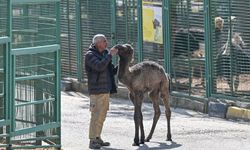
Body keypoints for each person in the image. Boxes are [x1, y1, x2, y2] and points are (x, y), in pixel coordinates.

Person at [85, 34, 118, 149]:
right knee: (95, 115)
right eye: (104, 41)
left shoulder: (104, 54)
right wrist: (110, 55)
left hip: (105, 90)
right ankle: (92, 140)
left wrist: (123, 64)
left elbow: (111, 71)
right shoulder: (89, 55)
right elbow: (99, 66)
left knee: (102, 116)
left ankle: (98, 138)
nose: (107, 43)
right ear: (98, 43)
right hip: (96, 91)